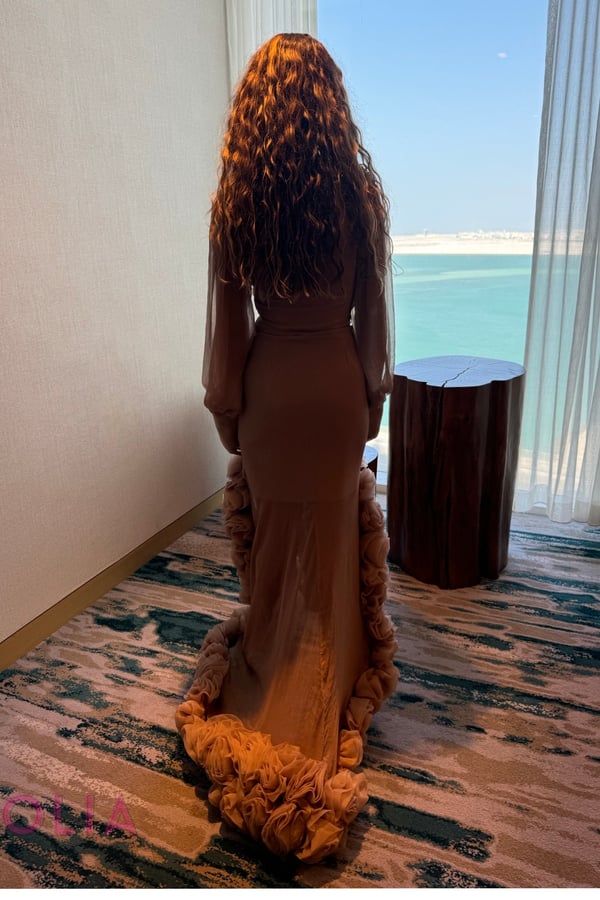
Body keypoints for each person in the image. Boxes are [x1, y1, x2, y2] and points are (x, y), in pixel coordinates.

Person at [175, 33, 397, 864]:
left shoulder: (237, 202)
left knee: (274, 548)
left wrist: (228, 412)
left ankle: (274, 672)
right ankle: (330, 683)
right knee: (333, 543)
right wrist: (371, 400)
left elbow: (229, 329)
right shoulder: (359, 196)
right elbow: (373, 315)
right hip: (335, 391)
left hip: (272, 394)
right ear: (332, 105)